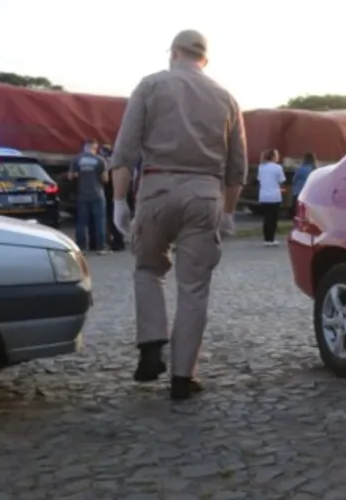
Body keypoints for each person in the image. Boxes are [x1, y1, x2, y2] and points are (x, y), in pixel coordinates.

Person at [107, 29, 248, 400]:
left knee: (148, 269)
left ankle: (152, 343)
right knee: (194, 288)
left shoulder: (151, 86)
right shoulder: (226, 98)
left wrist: (119, 201)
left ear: (173, 53)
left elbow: (124, 152)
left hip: (156, 189)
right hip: (204, 194)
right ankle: (184, 377)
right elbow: (237, 168)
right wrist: (228, 212)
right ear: (205, 59)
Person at [67, 139, 109, 255]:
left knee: (81, 222)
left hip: (83, 195)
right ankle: (101, 247)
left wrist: (79, 174)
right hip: (97, 194)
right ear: (95, 148)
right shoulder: (100, 160)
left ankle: (81, 247)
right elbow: (105, 179)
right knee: (99, 221)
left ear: (84, 147)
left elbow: (70, 177)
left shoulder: (77, 159)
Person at [257, 149, 287, 246]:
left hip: (263, 196)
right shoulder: (278, 168)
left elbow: (259, 179)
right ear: (273, 156)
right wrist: (281, 189)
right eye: (277, 155)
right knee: (273, 219)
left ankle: (266, 239)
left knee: (266, 218)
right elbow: (281, 180)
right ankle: (271, 239)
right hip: (274, 196)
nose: (278, 157)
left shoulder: (261, 167)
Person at [289, 151, 315, 217]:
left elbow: (294, 180)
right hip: (310, 193)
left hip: (298, 191)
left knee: (298, 211)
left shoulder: (300, 169)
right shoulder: (314, 169)